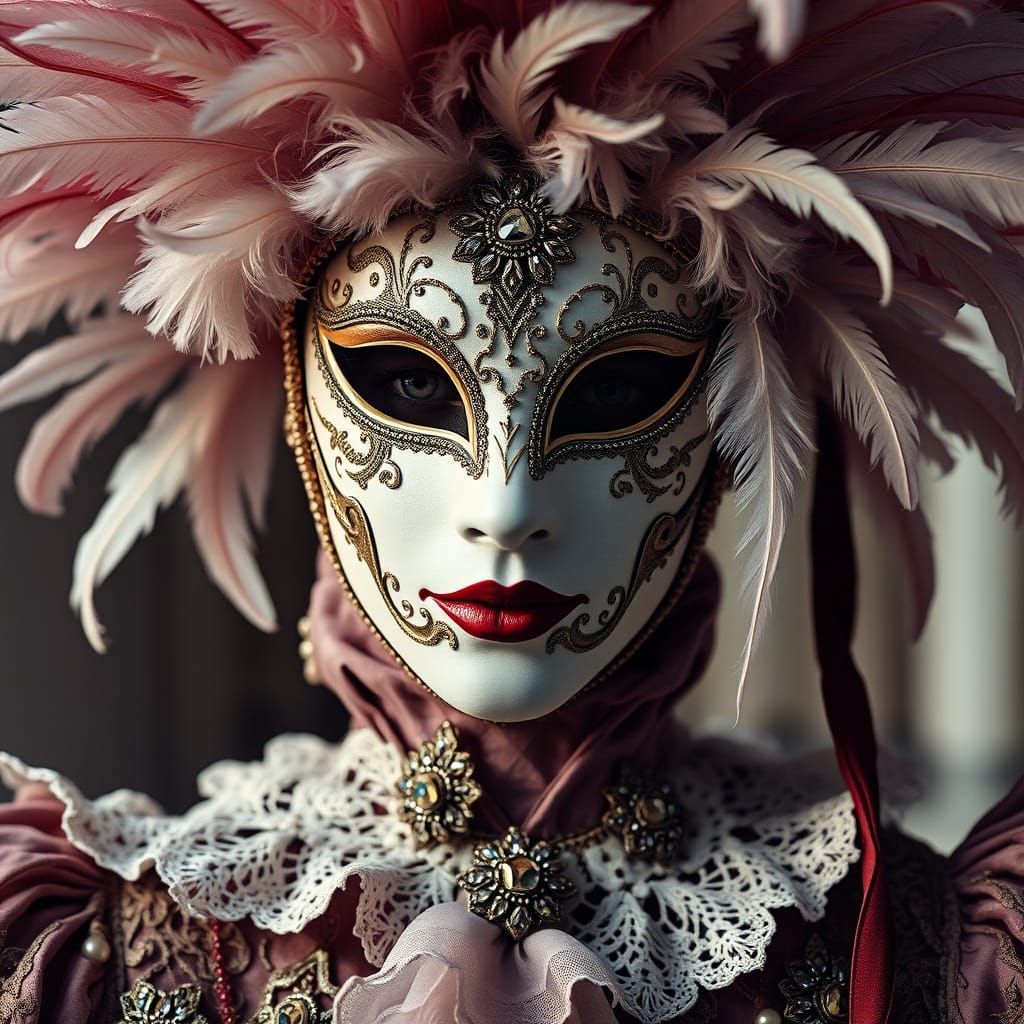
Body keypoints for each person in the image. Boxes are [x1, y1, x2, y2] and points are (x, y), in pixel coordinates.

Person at [0, 1, 1022, 1021]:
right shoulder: (90, 960)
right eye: (407, 383)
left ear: (729, 422)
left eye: (616, 391)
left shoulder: (938, 958)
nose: (506, 508)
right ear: (297, 396)